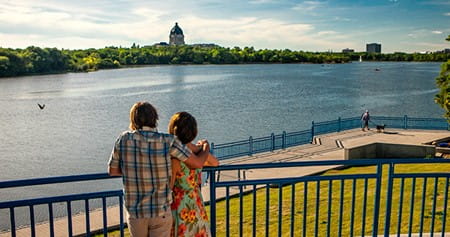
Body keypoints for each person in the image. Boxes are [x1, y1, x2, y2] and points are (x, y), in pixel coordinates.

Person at [108, 102, 210, 237]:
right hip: (160, 211)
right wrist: (206, 148)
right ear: (155, 119)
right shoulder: (168, 141)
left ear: (133, 120)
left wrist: (135, 170)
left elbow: (112, 170)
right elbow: (197, 163)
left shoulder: (123, 139)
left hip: (136, 213)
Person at [168, 112, 219, 237]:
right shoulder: (197, 153)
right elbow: (215, 163)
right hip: (196, 203)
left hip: (178, 206)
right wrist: (205, 147)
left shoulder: (174, 156)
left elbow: (170, 185)